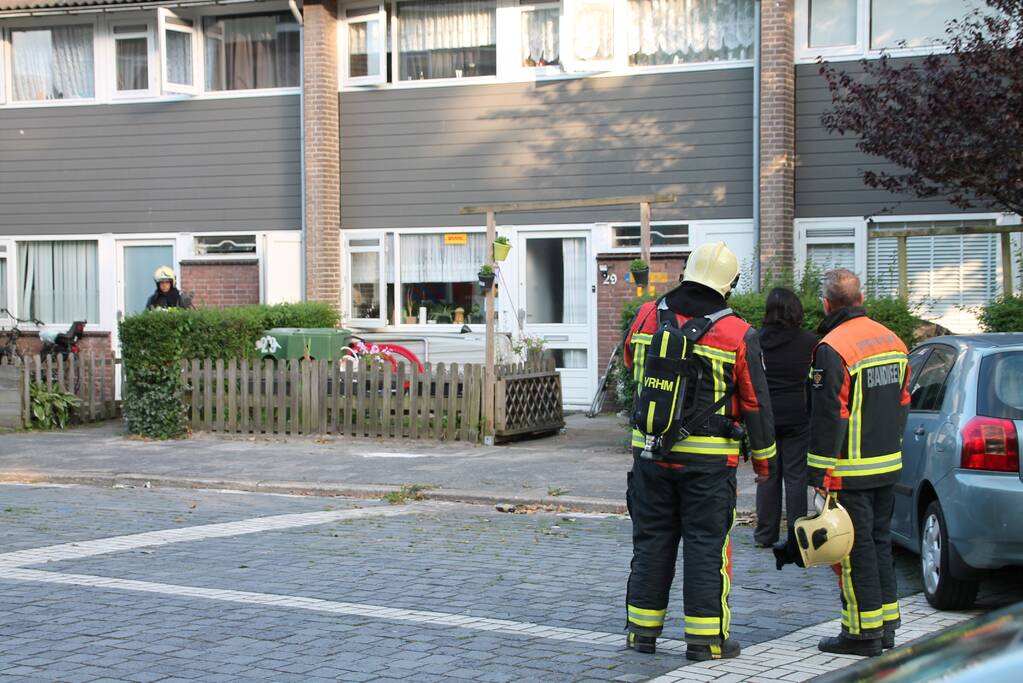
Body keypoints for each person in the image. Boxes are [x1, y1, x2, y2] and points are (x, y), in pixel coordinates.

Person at [623, 242, 776, 661]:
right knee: (707, 546)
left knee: (652, 540)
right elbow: (756, 404)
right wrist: (764, 464)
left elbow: (628, 364)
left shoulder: (646, 316)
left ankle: (641, 633)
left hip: (649, 453)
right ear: (731, 284)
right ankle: (706, 641)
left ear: (685, 272)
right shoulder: (738, 333)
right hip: (709, 463)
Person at [807, 269, 910, 657]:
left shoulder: (833, 348)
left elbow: (831, 416)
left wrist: (819, 475)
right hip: (887, 465)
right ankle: (886, 626)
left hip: (850, 471)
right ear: (861, 296)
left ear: (827, 303)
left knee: (855, 550)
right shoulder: (893, 341)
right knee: (880, 544)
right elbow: (903, 403)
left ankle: (861, 634)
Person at [754, 288, 818, 548]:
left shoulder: (755, 340)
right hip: (797, 416)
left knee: (768, 475)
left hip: (765, 417)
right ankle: (797, 535)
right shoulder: (809, 342)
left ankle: (765, 534)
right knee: (795, 478)